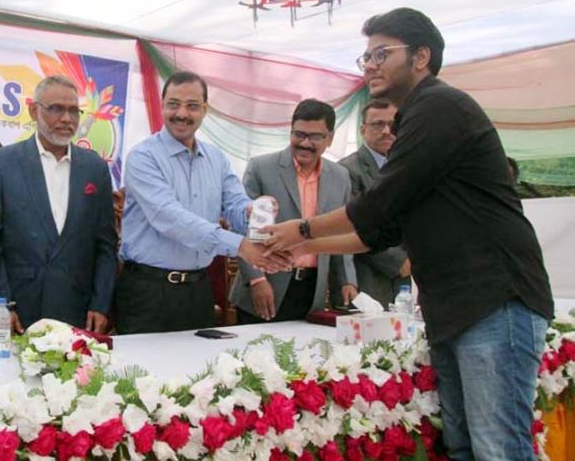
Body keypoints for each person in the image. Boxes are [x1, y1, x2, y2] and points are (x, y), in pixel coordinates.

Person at [263, 8, 553, 460]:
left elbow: (376, 204)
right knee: (462, 448)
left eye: (381, 53)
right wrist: (301, 245)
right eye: (365, 56)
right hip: (453, 309)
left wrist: (300, 227)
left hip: (495, 300)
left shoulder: (441, 106)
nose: (370, 64)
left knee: (499, 450)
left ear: (421, 56)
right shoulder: (416, 117)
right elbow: (379, 231)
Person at [115, 71, 272, 334]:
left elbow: (235, 204)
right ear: (162, 104)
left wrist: (256, 215)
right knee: (143, 372)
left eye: (192, 106)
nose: (182, 114)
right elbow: (171, 219)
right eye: (174, 104)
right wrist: (240, 245)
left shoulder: (216, 158)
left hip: (198, 289)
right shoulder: (143, 157)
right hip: (148, 291)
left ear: (205, 109)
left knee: (199, 372)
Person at [0, 75, 116, 333]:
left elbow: (105, 244)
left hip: (79, 310)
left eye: (74, 110)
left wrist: (101, 303)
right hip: (20, 309)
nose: (66, 119)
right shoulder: (4, 163)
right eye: (56, 109)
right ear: (33, 110)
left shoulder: (95, 168)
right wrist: (2, 305)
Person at [230, 99, 356, 323]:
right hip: (265, 289)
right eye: (299, 134)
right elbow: (241, 229)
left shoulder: (340, 177)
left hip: (312, 292)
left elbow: (340, 233)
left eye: (315, 137)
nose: (305, 143)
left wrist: (347, 281)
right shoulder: (261, 168)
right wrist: (257, 280)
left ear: (330, 138)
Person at [336, 100, 410, 306]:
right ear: (363, 129)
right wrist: (397, 261)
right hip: (365, 277)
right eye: (378, 124)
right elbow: (352, 227)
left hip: (405, 278)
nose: (386, 131)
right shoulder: (347, 170)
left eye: (392, 125)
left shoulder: (404, 168)